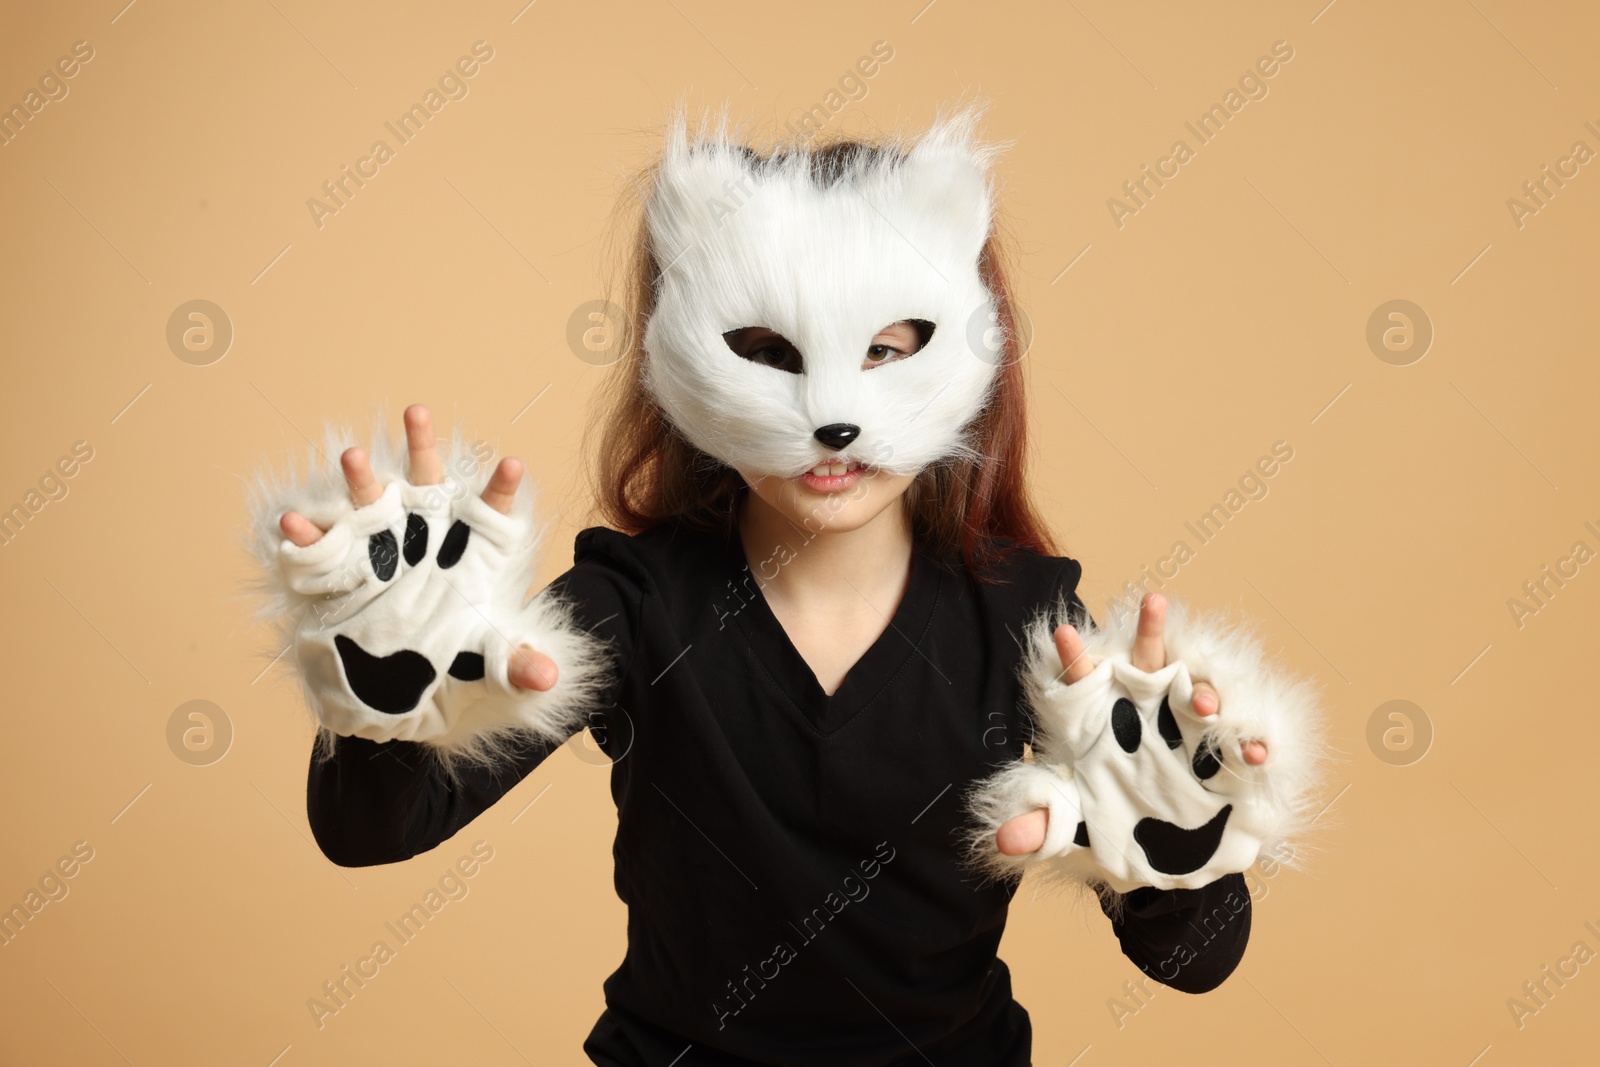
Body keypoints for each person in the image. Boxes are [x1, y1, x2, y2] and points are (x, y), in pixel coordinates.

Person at [255, 104, 1319, 1066]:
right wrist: (384, 686)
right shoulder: (632, 605)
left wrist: (1181, 850)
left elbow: (1192, 964)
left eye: (887, 350)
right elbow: (374, 831)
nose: (831, 416)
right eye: (765, 351)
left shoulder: (1031, 625)